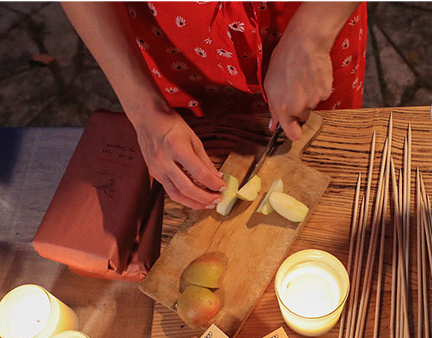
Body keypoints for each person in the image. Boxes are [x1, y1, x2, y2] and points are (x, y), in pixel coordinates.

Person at [62, 2, 366, 209]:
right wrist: (144, 110)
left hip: (309, 12)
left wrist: (311, 36)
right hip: (174, 36)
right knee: (196, 151)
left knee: (324, 153)